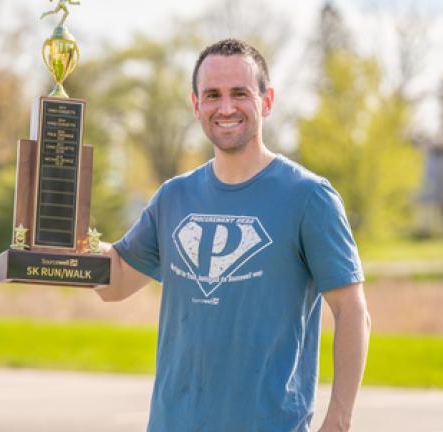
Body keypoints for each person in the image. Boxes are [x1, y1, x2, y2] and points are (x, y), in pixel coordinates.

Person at [95, 38, 371, 432]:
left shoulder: (308, 197)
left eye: (240, 93)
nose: (225, 108)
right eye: (212, 95)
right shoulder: (174, 197)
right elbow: (116, 282)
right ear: (196, 106)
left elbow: (352, 311)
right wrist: (70, 241)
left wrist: (338, 423)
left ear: (267, 101)